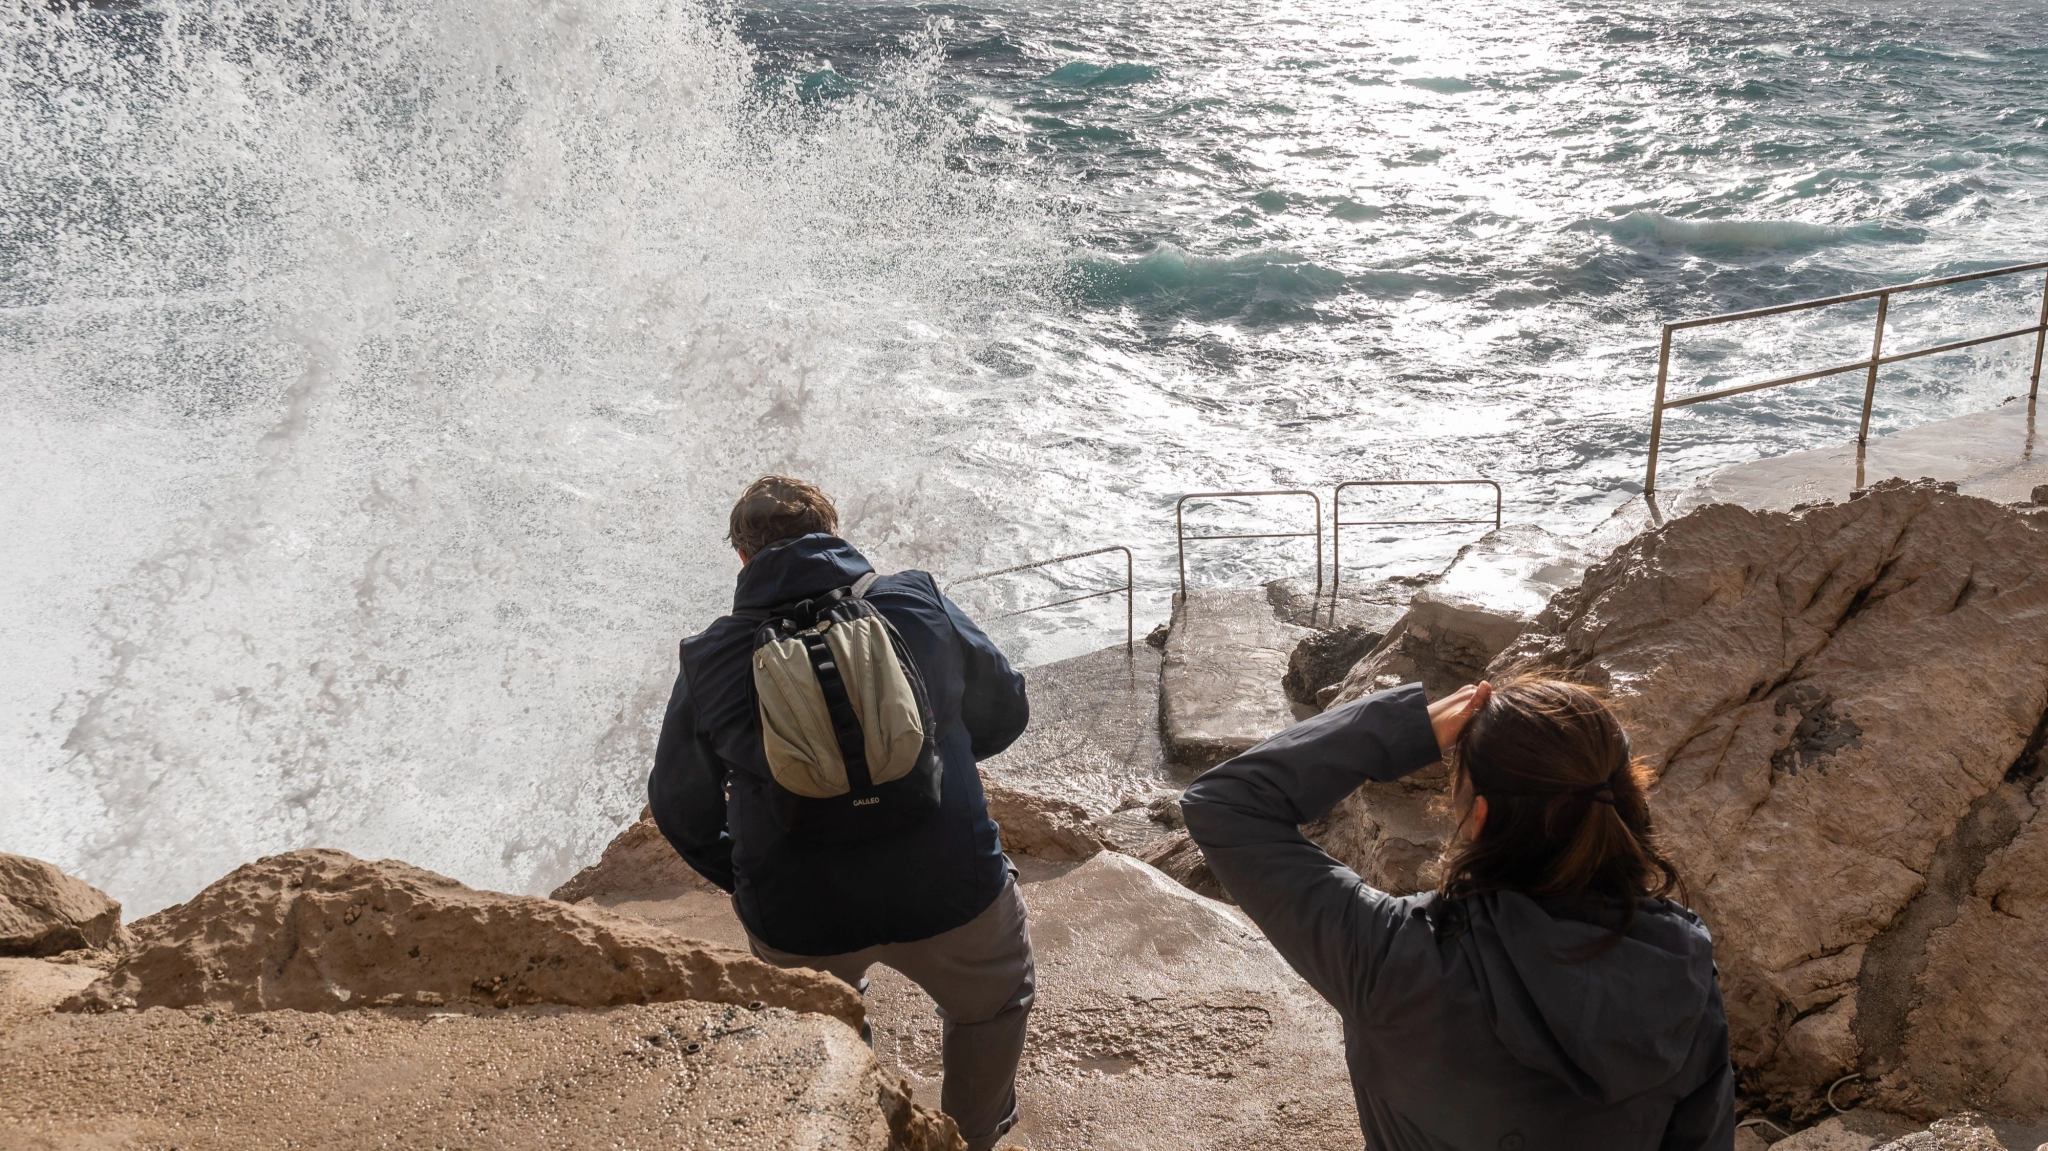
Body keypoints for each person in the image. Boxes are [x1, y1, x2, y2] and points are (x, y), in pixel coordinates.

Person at [1181, 677, 1734, 1151]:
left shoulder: (1389, 956)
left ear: (1481, 817)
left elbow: (1227, 802)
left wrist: (1402, 730)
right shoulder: (1681, 963)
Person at [647, 476, 1034, 1151]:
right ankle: (969, 1138)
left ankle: (854, 1122)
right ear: (834, 530)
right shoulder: (916, 599)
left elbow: (681, 805)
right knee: (993, 1002)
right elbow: (1007, 707)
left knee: (817, 1035)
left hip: (800, 913)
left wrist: (746, 879)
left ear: (742, 557)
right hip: (954, 887)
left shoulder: (711, 655)